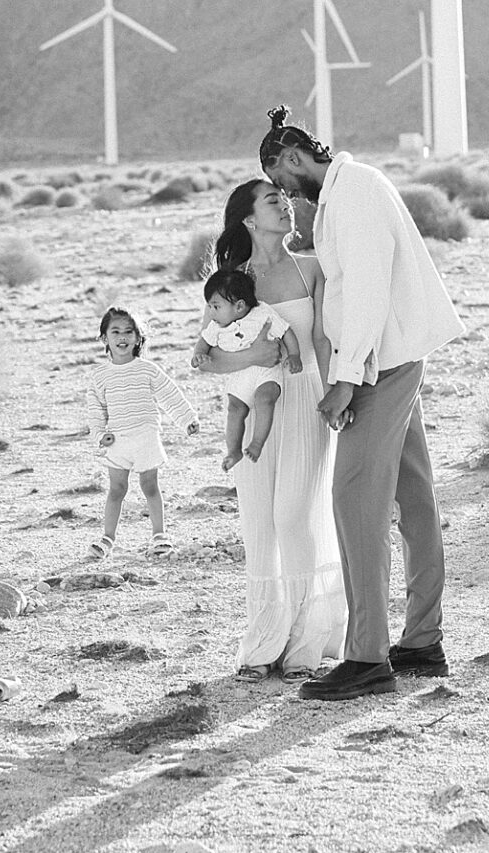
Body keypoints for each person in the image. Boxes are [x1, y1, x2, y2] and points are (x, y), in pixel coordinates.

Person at [259, 106, 465, 701]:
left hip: (379, 367)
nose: (283, 193)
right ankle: (423, 642)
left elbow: (370, 289)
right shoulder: (346, 194)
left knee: (355, 503)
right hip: (387, 358)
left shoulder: (355, 195)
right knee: (414, 498)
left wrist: (346, 378)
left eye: (280, 178)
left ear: (295, 157)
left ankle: (368, 656)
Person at [197, 177, 346, 682]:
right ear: (247, 219)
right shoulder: (230, 282)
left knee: (293, 518)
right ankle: (262, 647)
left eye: (286, 201)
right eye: (272, 202)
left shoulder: (312, 269)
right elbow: (208, 359)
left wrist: (336, 396)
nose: (285, 208)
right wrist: (257, 356)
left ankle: (304, 646)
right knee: (260, 525)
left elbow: (322, 342)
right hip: (247, 406)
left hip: (305, 404)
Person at [84, 307, 200, 558]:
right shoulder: (99, 376)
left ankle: (160, 535)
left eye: (128, 331)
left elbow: (170, 396)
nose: (122, 337)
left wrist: (187, 419)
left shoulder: (147, 369)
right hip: (117, 441)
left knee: (150, 486)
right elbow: (96, 410)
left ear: (138, 338)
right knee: (116, 490)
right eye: (115, 331)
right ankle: (107, 539)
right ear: (105, 338)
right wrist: (99, 435)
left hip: (146, 437)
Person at [197, 266, 299, 472]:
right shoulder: (217, 326)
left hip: (266, 372)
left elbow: (286, 331)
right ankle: (233, 450)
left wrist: (295, 354)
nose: (211, 312)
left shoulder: (262, 313)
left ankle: (257, 443)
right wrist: (198, 355)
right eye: (209, 306)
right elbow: (203, 342)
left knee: (265, 398)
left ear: (240, 306)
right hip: (240, 373)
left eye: (215, 306)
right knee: (235, 409)